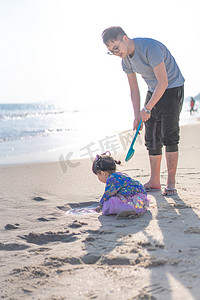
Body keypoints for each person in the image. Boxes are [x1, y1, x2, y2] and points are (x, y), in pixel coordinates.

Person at [102, 26, 185, 196]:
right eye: (111, 51)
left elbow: (164, 82)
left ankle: (171, 183)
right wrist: (136, 115)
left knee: (169, 135)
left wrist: (147, 108)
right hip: (153, 90)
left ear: (125, 38)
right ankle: (155, 181)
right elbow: (134, 89)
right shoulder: (125, 60)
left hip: (172, 87)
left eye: (116, 48)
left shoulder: (150, 48)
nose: (116, 53)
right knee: (152, 136)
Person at [92, 152, 150, 218]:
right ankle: (132, 210)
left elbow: (107, 194)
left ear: (103, 173)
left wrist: (100, 206)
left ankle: (128, 209)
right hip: (143, 202)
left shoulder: (112, 178)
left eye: (97, 175)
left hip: (134, 202)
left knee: (108, 203)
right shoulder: (120, 175)